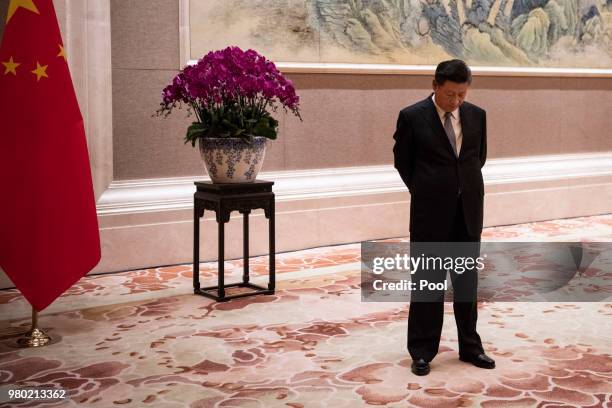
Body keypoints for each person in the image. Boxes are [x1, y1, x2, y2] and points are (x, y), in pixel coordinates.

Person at [392, 59, 495, 376]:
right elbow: (403, 163)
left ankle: (470, 347)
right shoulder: (412, 116)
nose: (457, 101)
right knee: (427, 285)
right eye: (451, 94)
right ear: (435, 85)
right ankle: (422, 351)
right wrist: (428, 190)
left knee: (467, 286)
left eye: (462, 94)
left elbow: (478, 159)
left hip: (468, 214)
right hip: (430, 214)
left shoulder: (477, 115)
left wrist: (461, 190)